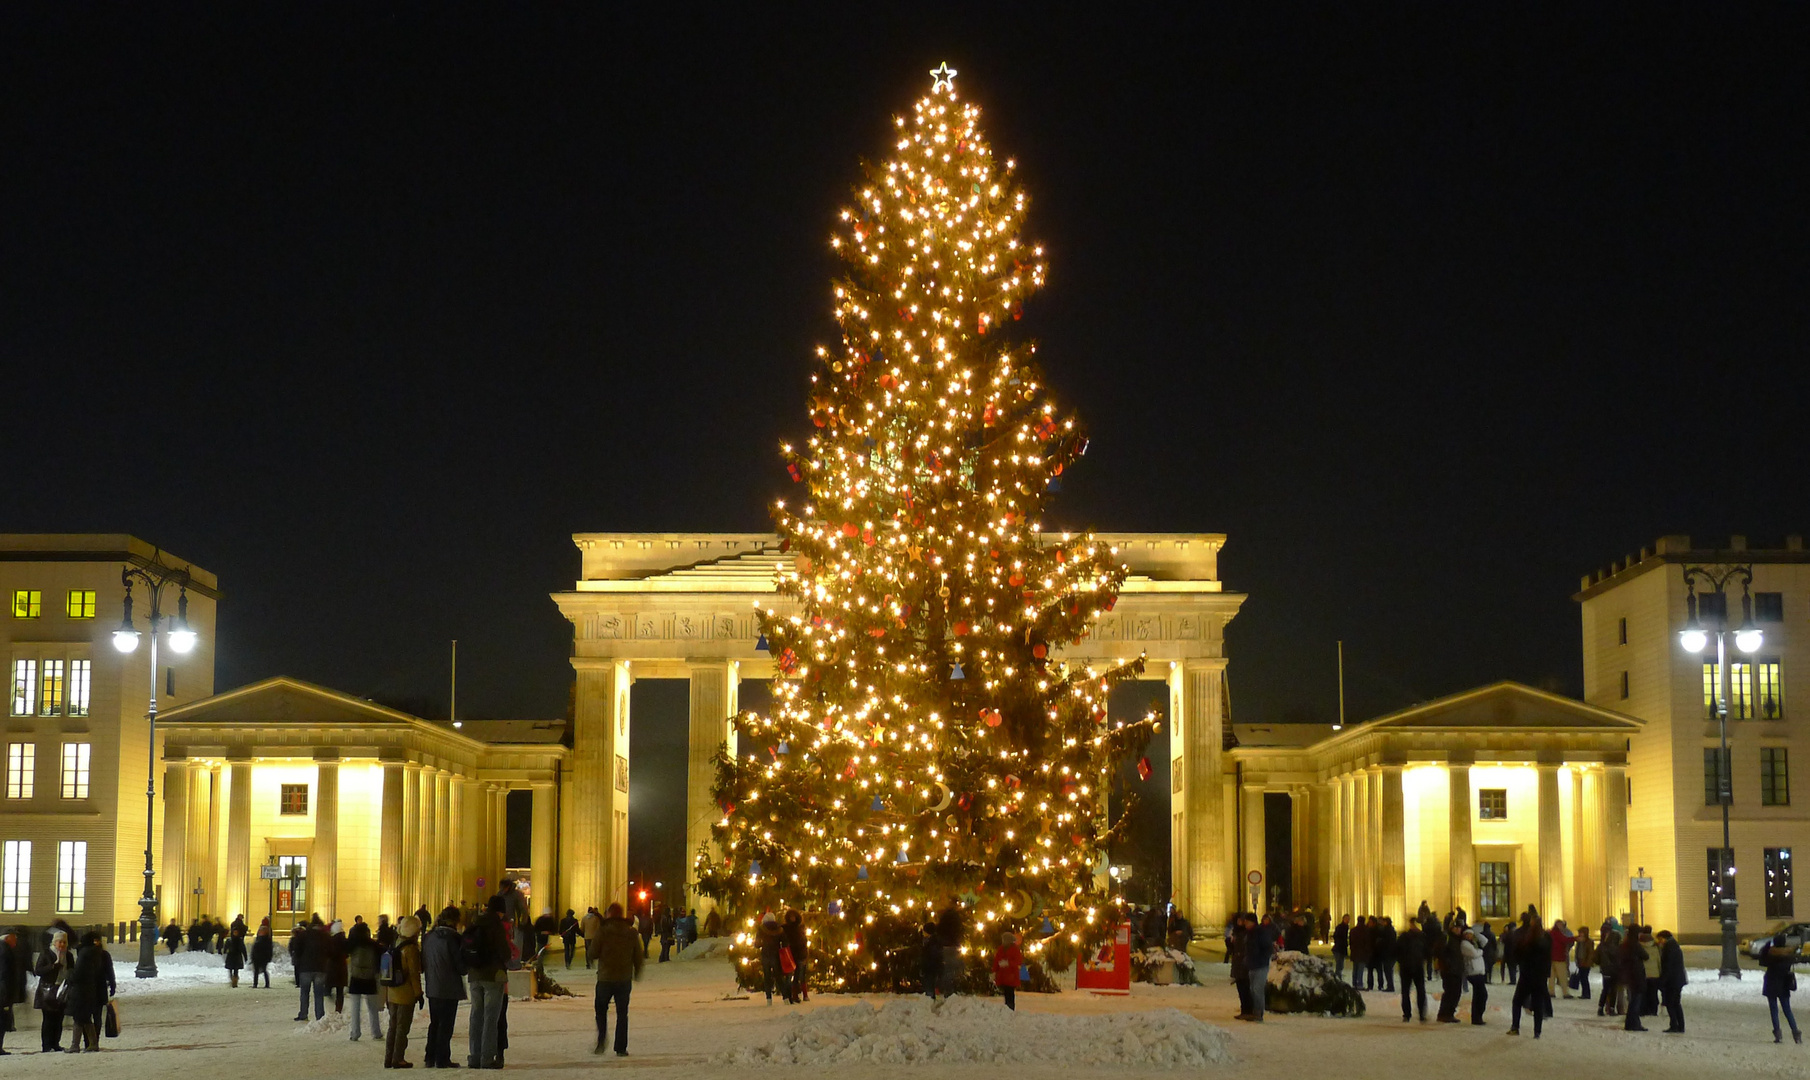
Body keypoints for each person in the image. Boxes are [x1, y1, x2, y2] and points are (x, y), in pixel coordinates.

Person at [465, 894, 512, 1070]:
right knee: (490, 1018)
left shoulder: (475, 922)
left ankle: (474, 1057)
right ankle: (486, 1058)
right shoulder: (496, 926)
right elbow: (505, 952)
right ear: (500, 911)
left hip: (474, 974)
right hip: (493, 975)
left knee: (475, 1016)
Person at [592, 901, 643, 1056]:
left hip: (605, 978)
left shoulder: (603, 932)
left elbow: (592, 953)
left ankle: (601, 1041)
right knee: (622, 1014)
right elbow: (638, 956)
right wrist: (637, 972)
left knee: (601, 1010)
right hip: (623, 979)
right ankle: (620, 1048)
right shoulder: (631, 932)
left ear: (609, 915)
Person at [421, 906, 466, 1068]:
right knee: (446, 1025)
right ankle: (442, 1058)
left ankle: (430, 1056)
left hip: (433, 985)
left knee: (435, 1022)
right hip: (449, 986)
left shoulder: (429, 937)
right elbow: (460, 966)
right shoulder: (453, 938)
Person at [382, 914, 424, 1069]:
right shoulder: (411, 948)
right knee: (402, 1027)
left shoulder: (396, 943)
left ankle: (388, 1057)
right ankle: (398, 1058)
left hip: (392, 991)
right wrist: (418, 994)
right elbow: (414, 974)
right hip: (405, 993)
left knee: (392, 1026)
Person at [64, 931, 114, 1054]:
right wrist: (112, 984)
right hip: (94, 989)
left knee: (81, 1018)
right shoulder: (99, 954)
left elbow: (78, 974)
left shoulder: (85, 954)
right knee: (87, 1018)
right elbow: (109, 971)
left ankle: (79, 1045)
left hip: (83, 990)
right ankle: (92, 1043)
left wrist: (69, 974)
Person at [1508, 915, 1552, 1038]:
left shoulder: (1527, 939)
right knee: (1538, 1004)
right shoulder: (1546, 938)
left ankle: (1515, 1027)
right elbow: (1548, 958)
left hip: (1527, 975)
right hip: (1540, 977)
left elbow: (1518, 954)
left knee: (1517, 1001)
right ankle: (1537, 1032)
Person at [346, 916, 384, 1043]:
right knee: (373, 1008)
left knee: (355, 1008)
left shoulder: (353, 945)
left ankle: (355, 1033)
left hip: (356, 978)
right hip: (370, 978)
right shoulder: (373, 945)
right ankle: (376, 1032)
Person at [1761, 931, 1802, 1044]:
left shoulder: (1770, 954)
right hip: (1784, 985)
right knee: (1787, 1010)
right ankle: (1796, 1033)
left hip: (1771, 984)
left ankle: (1778, 1035)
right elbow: (1795, 957)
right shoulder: (1788, 955)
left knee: (1774, 1010)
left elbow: (1762, 961)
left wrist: (1766, 947)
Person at [34, 929, 71, 1051]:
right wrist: (52, 966)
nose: (62, 945)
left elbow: (72, 971)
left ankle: (55, 1043)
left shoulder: (68, 955)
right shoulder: (46, 953)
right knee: (48, 1019)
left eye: (64, 942)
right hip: (47, 989)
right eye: (59, 942)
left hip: (62, 989)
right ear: (54, 942)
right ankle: (46, 1045)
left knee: (59, 1018)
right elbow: (38, 970)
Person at [1243, 911, 1279, 1023]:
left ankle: (1259, 1013)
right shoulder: (1249, 933)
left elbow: (1267, 947)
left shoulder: (1260, 932)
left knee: (1257, 989)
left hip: (1260, 965)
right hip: (1252, 964)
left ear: (1252, 922)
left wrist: (1261, 957)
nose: (1245, 924)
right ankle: (1255, 1011)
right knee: (1252, 990)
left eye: (1247, 922)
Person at [294, 915, 328, 1021]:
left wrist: (299, 961)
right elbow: (330, 950)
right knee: (319, 994)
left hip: (306, 967)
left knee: (304, 992)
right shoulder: (325, 936)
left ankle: (303, 1013)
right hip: (320, 968)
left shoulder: (304, 935)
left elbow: (297, 949)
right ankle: (320, 1015)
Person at [1617, 922, 1649, 1032]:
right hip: (1637, 975)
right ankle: (1634, 1024)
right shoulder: (1635, 944)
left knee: (1632, 1000)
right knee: (1635, 1002)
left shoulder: (1625, 944)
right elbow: (1646, 956)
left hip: (1628, 975)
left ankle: (1630, 1023)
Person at [1653, 929, 1686, 1033]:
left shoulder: (1669, 948)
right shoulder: (1674, 946)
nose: (1659, 942)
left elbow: (1668, 967)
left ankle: (1674, 1025)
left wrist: (1662, 981)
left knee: (1671, 1003)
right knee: (1676, 1003)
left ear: (1664, 938)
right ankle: (1680, 1025)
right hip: (1677, 979)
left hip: (1673, 980)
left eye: (1660, 939)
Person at [1395, 919, 1428, 1022]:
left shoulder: (1404, 937)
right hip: (1412, 967)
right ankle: (1415, 1014)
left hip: (1411, 967)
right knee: (1415, 991)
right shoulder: (1420, 937)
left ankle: (1411, 1014)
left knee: (1411, 991)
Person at [1436, 920, 1466, 1023]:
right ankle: (1444, 1014)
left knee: (1456, 993)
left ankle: (1449, 1013)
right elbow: (1441, 953)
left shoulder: (1458, 939)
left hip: (1457, 969)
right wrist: (1447, 964)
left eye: (1459, 928)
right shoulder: (1447, 938)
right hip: (1449, 971)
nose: (1458, 930)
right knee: (1450, 993)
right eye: (1456, 928)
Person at [936, 903, 965, 999]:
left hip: (945, 945)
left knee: (947, 969)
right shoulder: (956, 918)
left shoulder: (944, 918)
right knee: (952, 968)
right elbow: (960, 931)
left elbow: (939, 930)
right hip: (953, 945)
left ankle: (946, 990)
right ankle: (951, 990)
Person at [1462, 926, 1489, 1026]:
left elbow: (1485, 941)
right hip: (1473, 972)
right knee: (1481, 994)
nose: (1470, 936)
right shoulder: (1464, 944)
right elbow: (1474, 954)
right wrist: (1481, 952)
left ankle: (1477, 1017)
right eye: (1468, 934)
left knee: (1479, 995)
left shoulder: (1474, 943)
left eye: (1471, 934)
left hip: (1479, 971)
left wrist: (1477, 934)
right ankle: (1477, 1017)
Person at [781, 908, 809, 1004]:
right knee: (789, 976)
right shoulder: (785, 928)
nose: (792, 918)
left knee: (797, 976)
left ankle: (795, 995)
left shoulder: (800, 928)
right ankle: (789, 995)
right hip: (789, 954)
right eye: (790, 917)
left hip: (799, 954)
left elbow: (803, 941)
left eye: (794, 917)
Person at [757, 912, 786, 1003]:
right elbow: (785, 942)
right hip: (776, 955)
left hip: (766, 954)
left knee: (767, 977)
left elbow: (757, 944)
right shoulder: (780, 929)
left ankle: (769, 998)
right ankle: (785, 997)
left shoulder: (761, 929)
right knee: (779, 976)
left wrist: (762, 944)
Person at [1227, 915, 1252, 1020]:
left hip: (1244, 963)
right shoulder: (1235, 932)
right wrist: (1229, 942)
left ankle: (1248, 1010)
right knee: (1240, 988)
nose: (1240, 922)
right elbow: (1231, 949)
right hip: (1237, 963)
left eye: (1242, 920)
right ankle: (1244, 1010)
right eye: (1238, 920)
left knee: (1246, 988)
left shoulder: (1247, 933)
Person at [992, 931, 1023, 1011]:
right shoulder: (1001, 949)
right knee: (1006, 992)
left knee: (1010, 992)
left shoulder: (1015, 949)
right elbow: (996, 960)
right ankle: (1007, 1007)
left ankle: (1011, 1008)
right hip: (1003, 975)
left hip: (1011, 975)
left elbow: (1018, 961)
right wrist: (994, 971)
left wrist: (1008, 963)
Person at [1596, 919, 1622, 1016]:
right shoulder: (1618, 948)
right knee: (1613, 990)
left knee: (1605, 989)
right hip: (1615, 971)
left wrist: (1602, 964)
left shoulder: (1602, 946)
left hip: (1605, 970)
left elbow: (1596, 958)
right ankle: (1611, 1008)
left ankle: (1600, 1008)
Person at [1547, 918, 1575, 1000]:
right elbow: (1564, 940)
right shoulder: (1557, 933)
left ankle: (1551, 992)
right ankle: (1565, 992)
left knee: (1551, 977)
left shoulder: (1550, 933)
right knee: (1563, 976)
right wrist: (1576, 938)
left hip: (1550, 958)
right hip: (1559, 958)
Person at [327, 918, 350, 1013]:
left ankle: (333, 1008)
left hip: (333, 967)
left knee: (329, 988)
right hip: (342, 967)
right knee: (340, 991)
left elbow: (329, 953)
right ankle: (339, 1008)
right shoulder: (345, 940)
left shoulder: (331, 941)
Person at [919, 919, 943, 1000]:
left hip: (931, 969)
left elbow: (932, 957)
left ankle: (930, 1001)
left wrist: (926, 966)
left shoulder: (933, 943)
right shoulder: (928, 941)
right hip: (929, 968)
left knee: (930, 986)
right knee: (928, 986)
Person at [1374, 916, 1398, 993]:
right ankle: (1390, 985)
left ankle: (1390, 986)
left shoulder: (1387, 931)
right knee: (1388, 970)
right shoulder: (1391, 930)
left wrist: (1379, 942)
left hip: (1387, 953)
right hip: (1391, 953)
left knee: (1388, 970)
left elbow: (1386, 942)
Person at [1350, 915, 1372, 990]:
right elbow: (1368, 942)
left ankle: (1354, 983)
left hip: (1355, 952)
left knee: (1355, 969)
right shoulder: (1366, 930)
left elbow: (1351, 942)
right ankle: (1359, 984)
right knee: (1360, 969)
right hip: (1363, 953)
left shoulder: (1353, 930)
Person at [1573, 926, 1595, 1001]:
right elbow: (1577, 951)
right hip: (1580, 961)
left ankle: (1587, 993)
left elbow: (1590, 953)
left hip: (1586, 963)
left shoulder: (1589, 942)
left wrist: (1587, 962)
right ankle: (1584, 993)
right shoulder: (1579, 942)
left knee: (1584, 978)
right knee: (1582, 978)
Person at [250, 921, 275, 988]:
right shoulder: (260, 939)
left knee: (263, 970)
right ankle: (256, 984)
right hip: (257, 956)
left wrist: (268, 957)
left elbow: (268, 949)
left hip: (262, 957)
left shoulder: (266, 940)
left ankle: (265, 984)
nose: (260, 932)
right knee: (257, 970)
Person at [1331, 915, 1350, 981]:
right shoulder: (1341, 927)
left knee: (1340, 965)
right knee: (1339, 965)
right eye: (1347, 919)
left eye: (1348, 919)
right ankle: (1337, 978)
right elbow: (1336, 936)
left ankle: (1338, 977)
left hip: (1341, 948)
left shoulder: (1346, 927)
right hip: (1339, 948)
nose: (1348, 920)